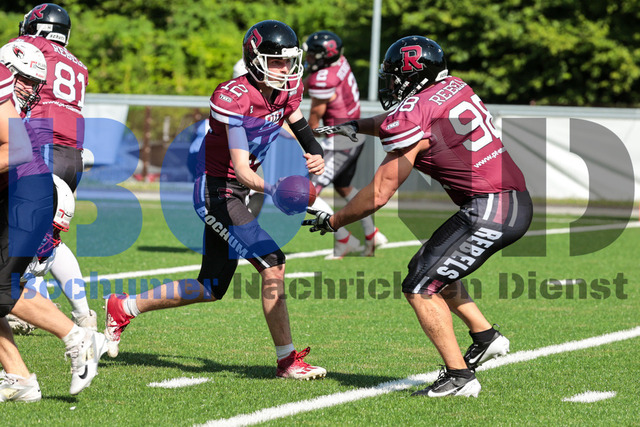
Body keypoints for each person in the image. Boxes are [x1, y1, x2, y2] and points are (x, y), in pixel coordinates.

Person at [307, 36, 533, 397]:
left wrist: (333, 221)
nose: (391, 84)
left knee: (420, 286)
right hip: (509, 199)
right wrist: (356, 125)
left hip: (490, 207)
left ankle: (459, 377)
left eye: (394, 77)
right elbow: (409, 115)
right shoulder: (453, 86)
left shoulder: (411, 114)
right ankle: (485, 336)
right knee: (427, 269)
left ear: (412, 75)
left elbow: (379, 193)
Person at [105, 20, 327, 380]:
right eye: (276, 61)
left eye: (288, 61)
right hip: (217, 191)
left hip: (236, 191)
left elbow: (297, 122)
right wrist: (277, 190)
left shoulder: (287, 89)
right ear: (255, 60)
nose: (285, 69)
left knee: (210, 287)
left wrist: (314, 150)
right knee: (273, 263)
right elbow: (241, 170)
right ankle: (287, 361)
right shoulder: (234, 97)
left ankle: (123, 307)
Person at [0, 43, 105, 402]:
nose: (29, 90)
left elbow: (16, 149)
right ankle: (19, 378)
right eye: (25, 81)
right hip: (15, 190)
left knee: (2, 287)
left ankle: (79, 337)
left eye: (33, 83)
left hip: (25, 193)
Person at [10, 3, 96, 330]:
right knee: (47, 238)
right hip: (72, 155)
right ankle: (82, 314)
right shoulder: (78, 65)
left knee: (21, 232)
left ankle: (27, 307)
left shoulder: (33, 46)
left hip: (40, 146)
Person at [303, 30, 388, 258]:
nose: (308, 58)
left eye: (312, 54)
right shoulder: (339, 62)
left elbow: (313, 123)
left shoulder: (323, 79)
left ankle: (344, 239)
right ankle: (372, 234)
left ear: (324, 56)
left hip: (339, 142)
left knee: (305, 193)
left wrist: (293, 134)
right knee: (344, 187)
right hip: (354, 133)